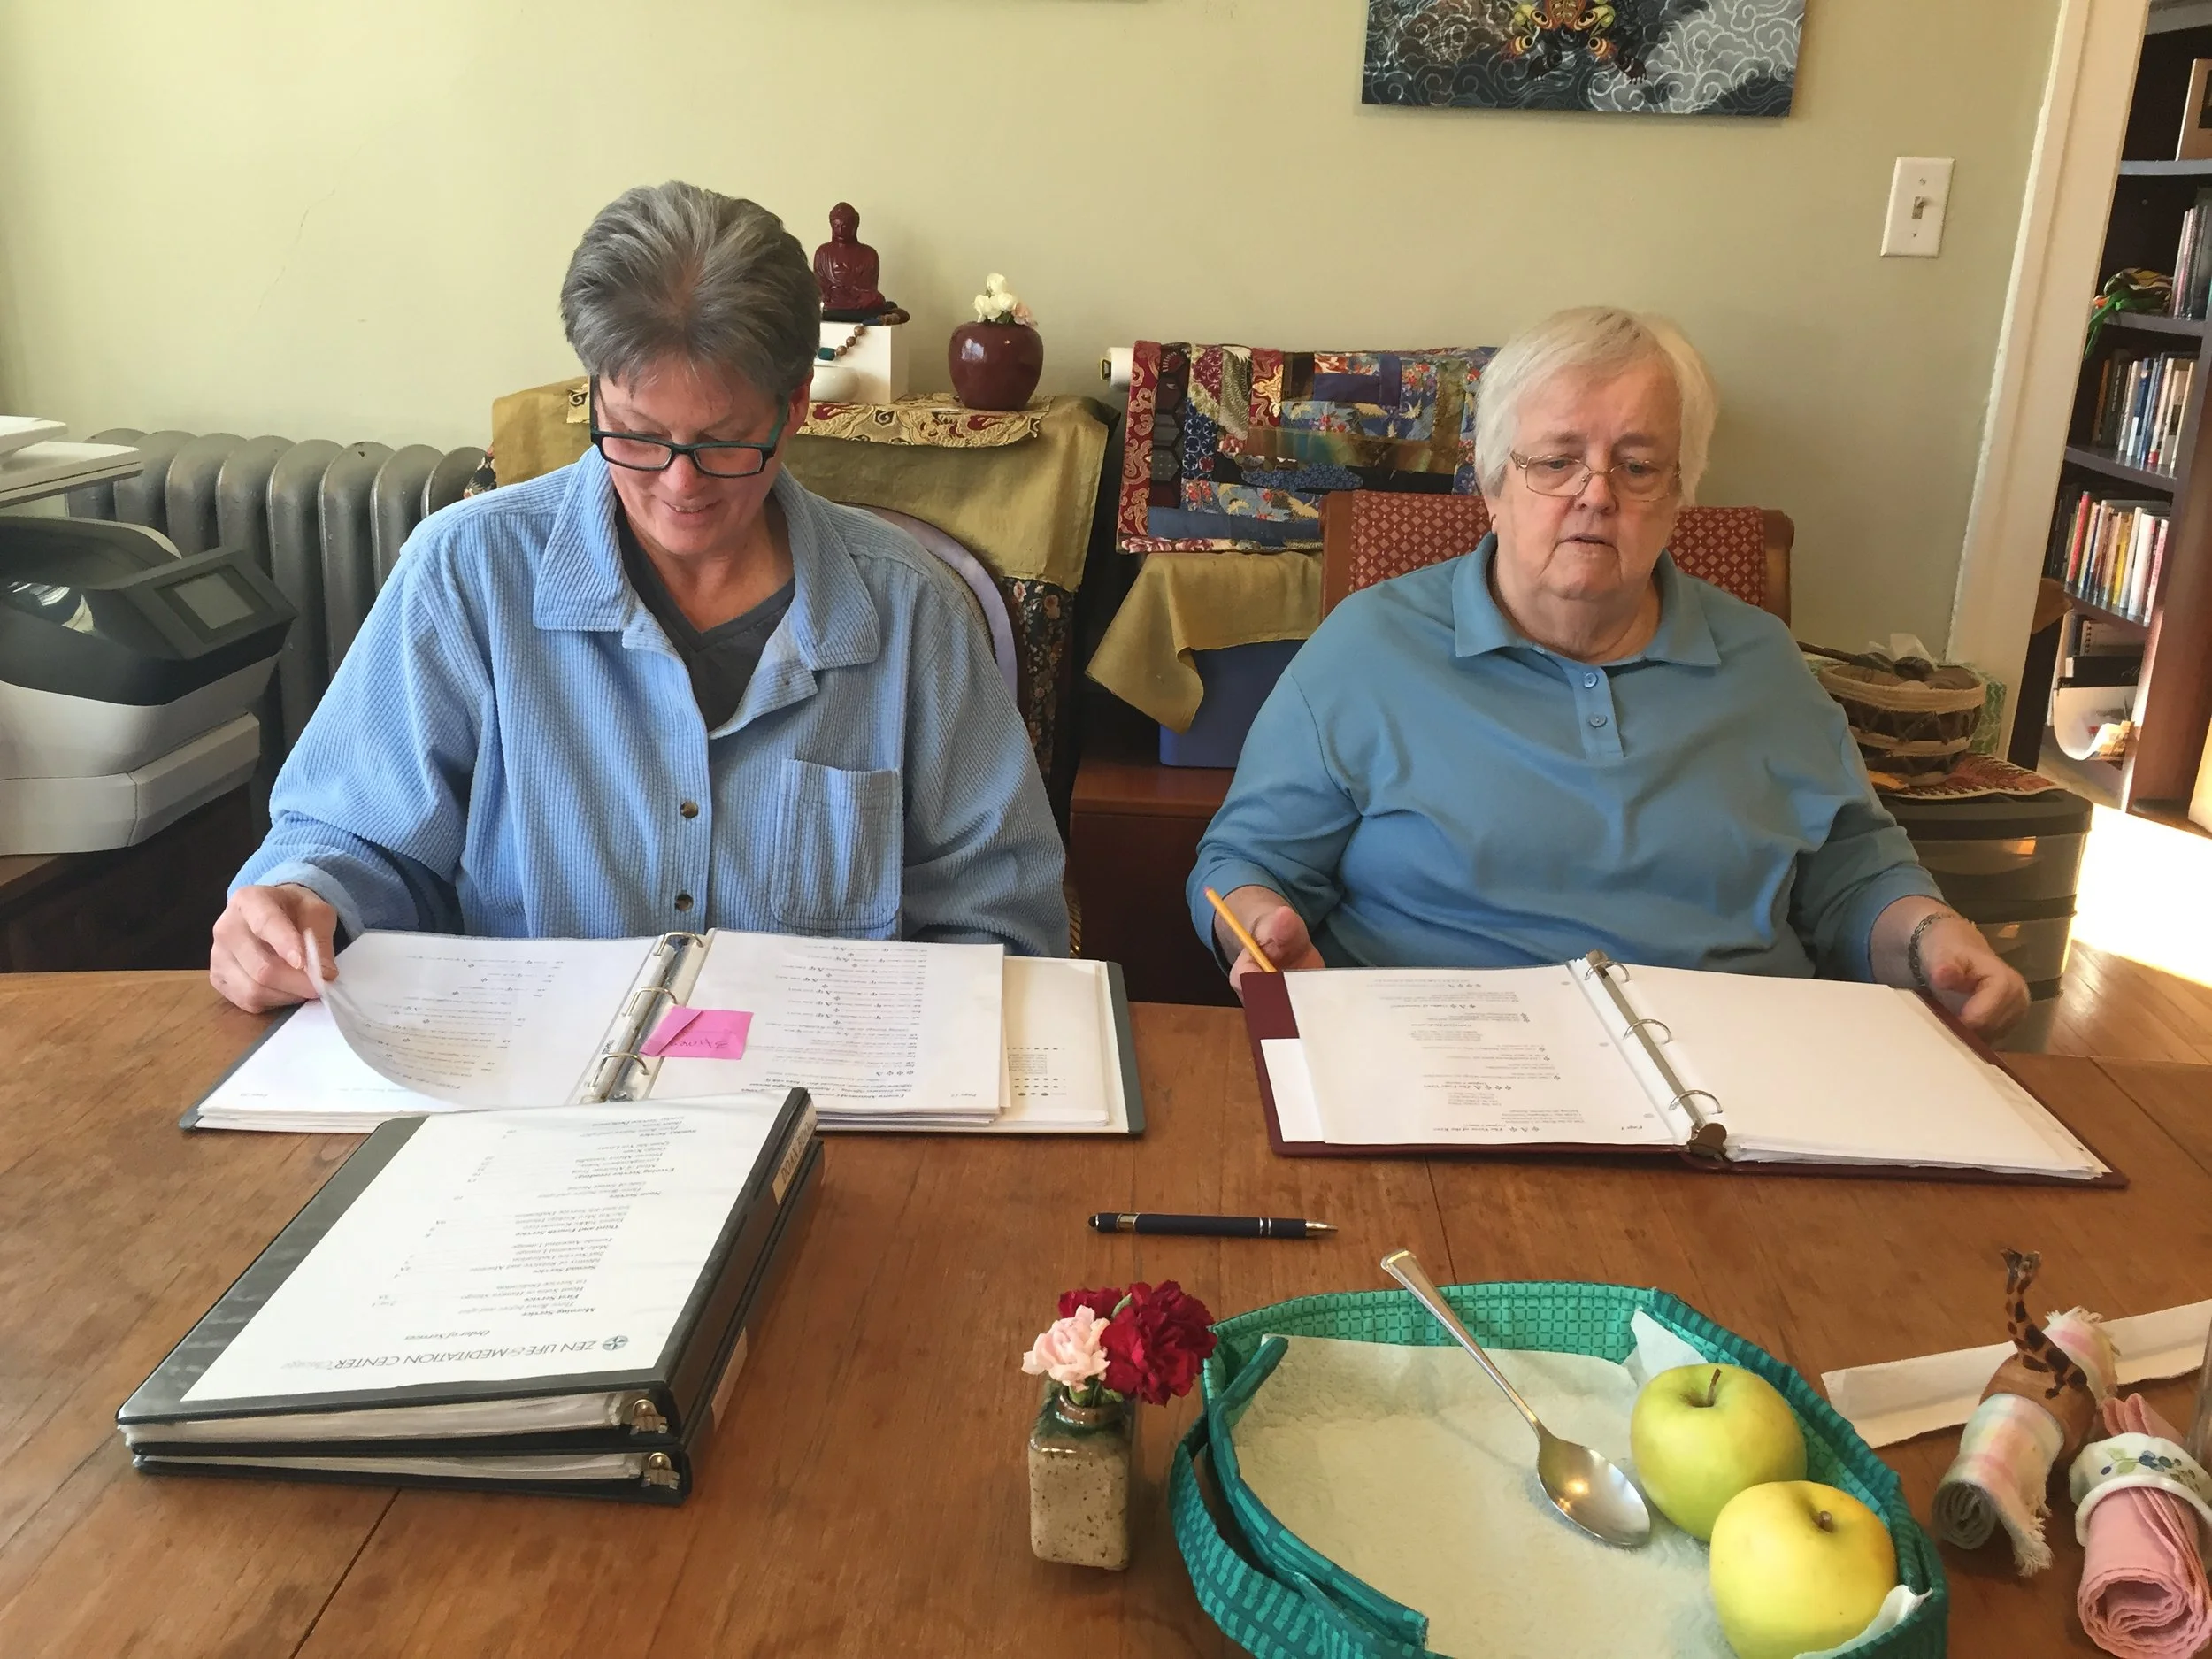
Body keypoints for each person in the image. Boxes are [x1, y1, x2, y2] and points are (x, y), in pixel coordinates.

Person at [211, 180, 1065, 1013]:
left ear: (796, 407)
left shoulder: (911, 614)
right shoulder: (467, 578)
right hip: (527, 1103)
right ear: (593, 397)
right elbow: (352, 839)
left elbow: (998, 919)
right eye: (638, 435)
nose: (679, 485)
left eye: (726, 441)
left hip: (824, 1109)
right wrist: (299, 902)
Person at [1188, 306, 2028, 1039]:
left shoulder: (1763, 661)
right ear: (1492, 482)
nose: (1596, 494)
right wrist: (1261, 926)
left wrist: (1930, 937)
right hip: (1452, 1064)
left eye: (1636, 465)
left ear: (1677, 494)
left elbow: (1853, 876)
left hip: (1737, 1073)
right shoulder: (1368, 647)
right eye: (1556, 460)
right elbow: (1242, 861)